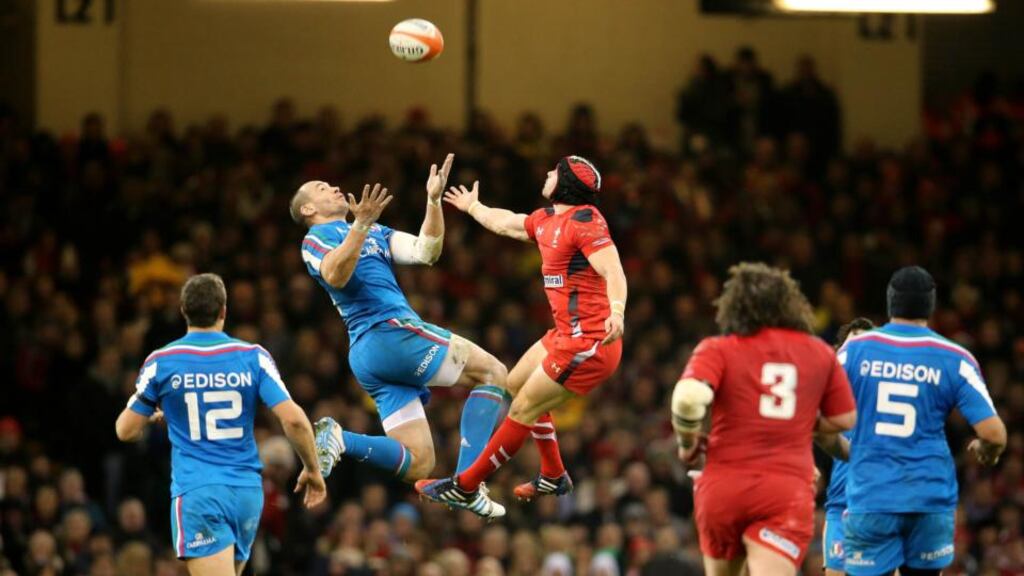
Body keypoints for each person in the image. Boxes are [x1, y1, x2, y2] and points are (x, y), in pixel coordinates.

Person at [416, 155, 627, 518]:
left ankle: (465, 487)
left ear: (563, 183)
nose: (545, 173)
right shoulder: (546, 220)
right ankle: (553, 473)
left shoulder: (587, 222)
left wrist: (618, 311)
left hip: (590, 342)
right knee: (513, 384)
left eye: (553, 171)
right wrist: (473, 207)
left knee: (523, 408)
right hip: (564, 335)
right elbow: (508, 224)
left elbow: (614, 271)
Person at [290, 154, 511, 499]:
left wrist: (433, 201)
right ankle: (468, 482)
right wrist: (360, 225)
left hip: (372, 355)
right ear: (307, 210)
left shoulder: (375, 230)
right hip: (388, 332)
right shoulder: (316, 237)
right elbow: (335, 274)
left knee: (419, 463)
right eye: (321, 187)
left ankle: (340, 439)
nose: (333, 187)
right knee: (493, 373)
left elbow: (427, 251)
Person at [114, 273, 325, 576]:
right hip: (247, 494)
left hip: (199, 493)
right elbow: (293, 419)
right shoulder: (254, 357)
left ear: (183, 311)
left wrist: (156, 416)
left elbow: (125, 430)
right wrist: (313, 469)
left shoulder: (162, 361)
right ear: (224, 310)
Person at [669, 262, 857, 575]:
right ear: (790, 304)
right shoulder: (818, 352)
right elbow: (846, 418)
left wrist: (686, 443)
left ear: (734, 306)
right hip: (783, 491)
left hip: (722, 488)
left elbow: (688, 397)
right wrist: (798, 421)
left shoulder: (717, 348)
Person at [837, 266, 1007, 576]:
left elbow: (817, 416)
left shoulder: (854, 351)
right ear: (931, 305)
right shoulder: (956, 357)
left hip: (872, 497)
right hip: (929, 500)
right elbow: (994, 433)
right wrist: (988, 451)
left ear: (890, 302)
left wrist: (840, 448)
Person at [818, 317, 876, 576]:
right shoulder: (829, 398)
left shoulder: (886, 394)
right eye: (853, 343)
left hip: (881, 505)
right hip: (840, 506)